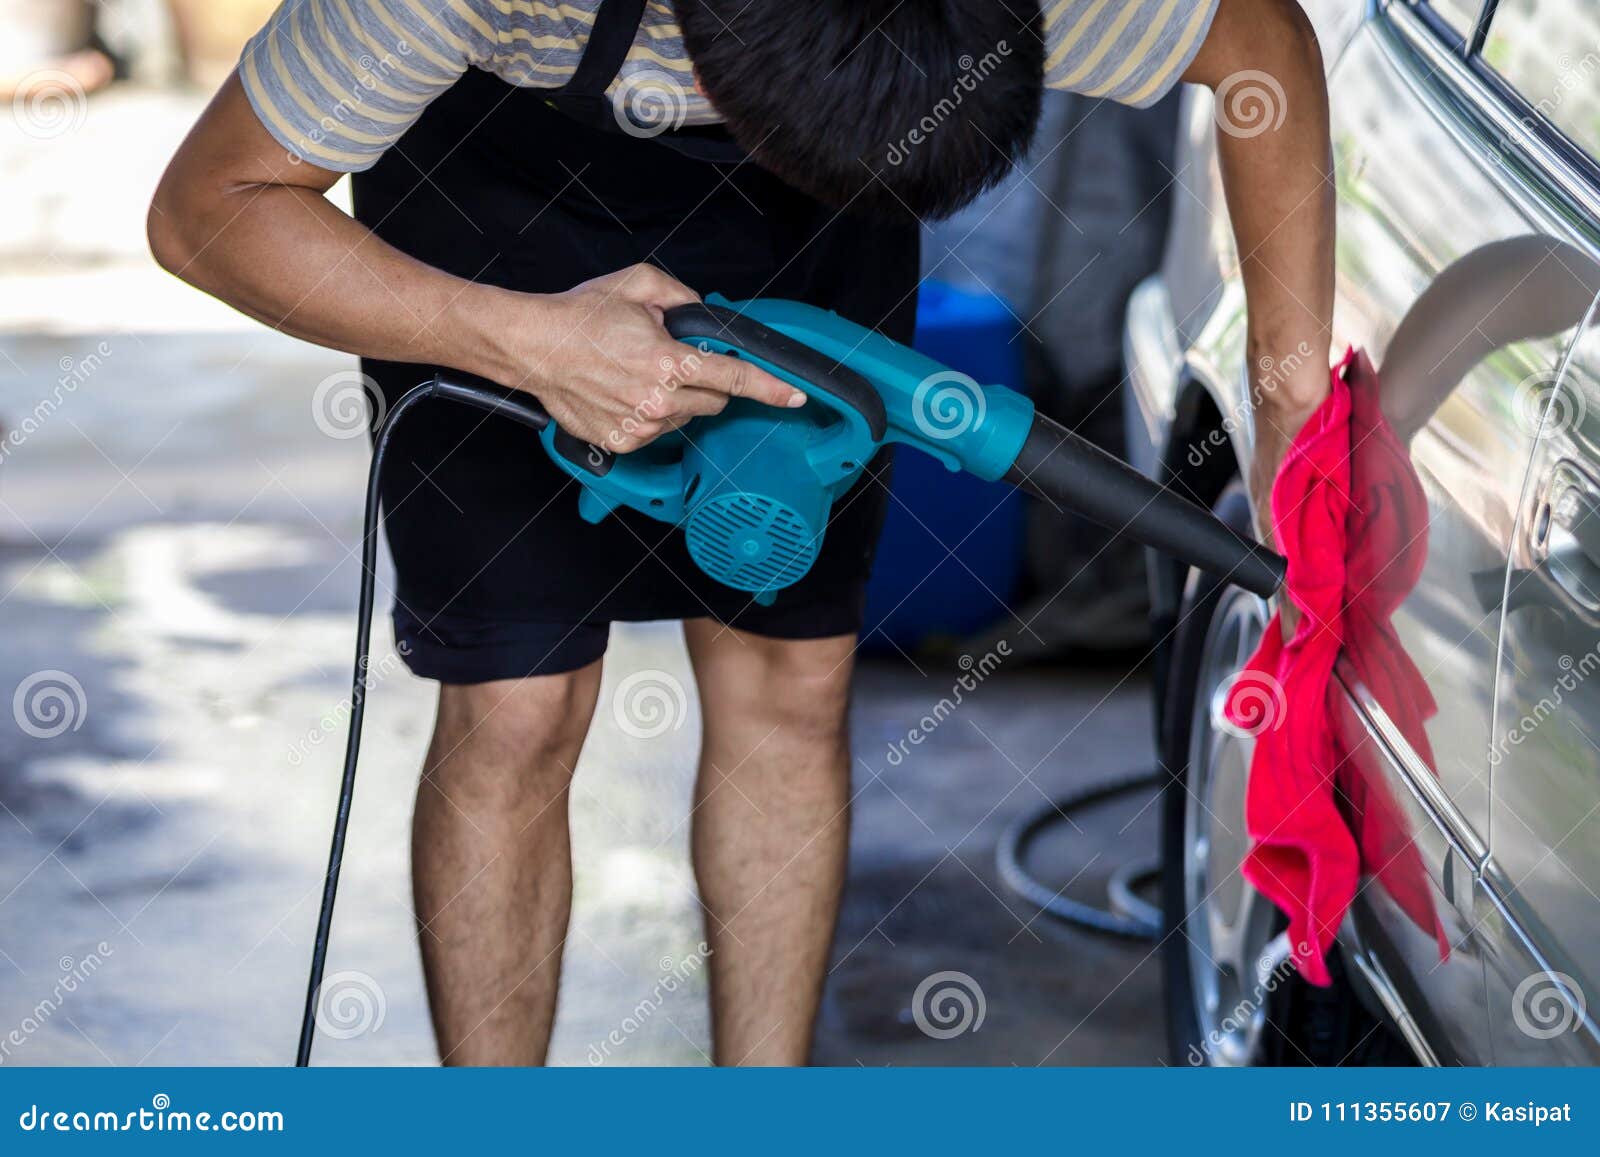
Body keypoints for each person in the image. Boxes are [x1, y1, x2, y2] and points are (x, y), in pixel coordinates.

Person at [148, 0, 1332, 1065]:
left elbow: (1260, 46)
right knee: (517, 701)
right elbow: (205, 210)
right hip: (492, 208)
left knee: (789, 681)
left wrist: (1286, 413)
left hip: (815, 222)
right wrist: (531, 343)